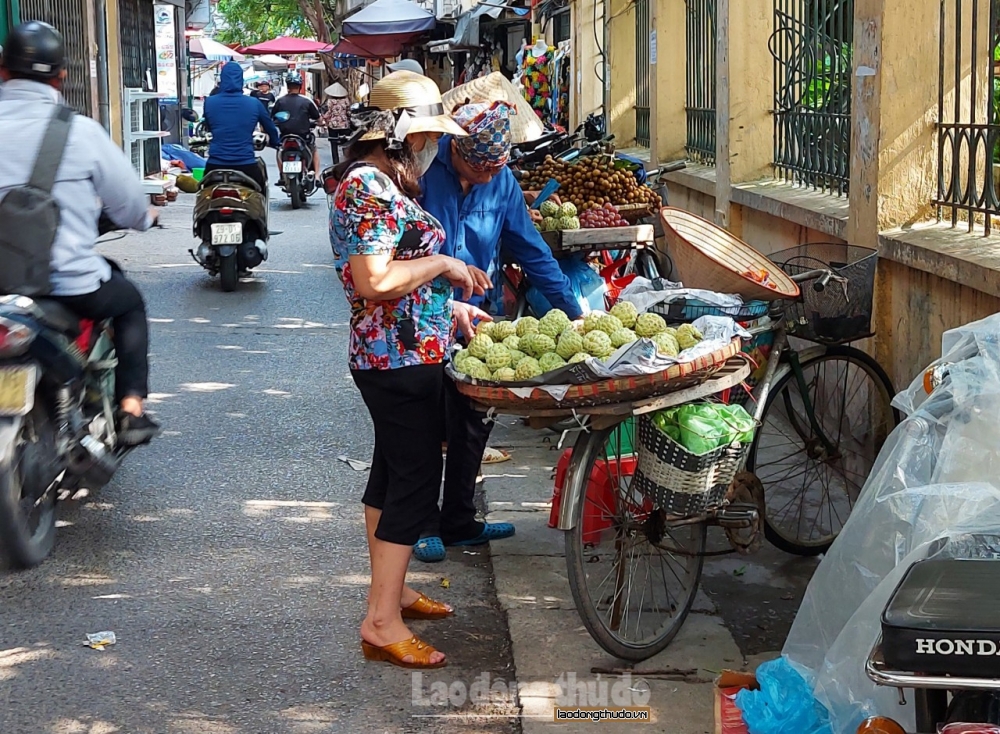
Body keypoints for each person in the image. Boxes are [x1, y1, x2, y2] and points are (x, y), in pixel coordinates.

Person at [328, 70, 475, 669]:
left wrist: (448, 303)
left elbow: (395, 275)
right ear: (399, 134)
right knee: (415, 484)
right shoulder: (367, 187)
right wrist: (442, 263)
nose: (431, 147)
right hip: (397, 361)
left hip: (406, 350)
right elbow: (375, 280)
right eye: (426, 136)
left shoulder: (376, 183)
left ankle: (392, 592)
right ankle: (381, 621)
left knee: (391, 478)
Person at [414, 100, 584, 563]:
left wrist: (574, 312)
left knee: (474, 420)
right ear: (456, 151)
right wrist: (442, 298)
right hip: (422, 315)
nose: (487, 177)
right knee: (426, 422)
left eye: (495, 169)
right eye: (479, 168)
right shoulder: (423, 171)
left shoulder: (501, 182)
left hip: (479, 317)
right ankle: (423, 523)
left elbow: (531, 250)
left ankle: (460, 521)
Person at [0, 21, 160, 445]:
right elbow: (128, 205)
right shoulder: (80, 131)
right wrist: (145, 219)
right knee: (128, 304)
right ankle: (130, 410)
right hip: (68, 283)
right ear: (61, 76)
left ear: (2, 70)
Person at [202, 61, 279, 192]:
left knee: (204, 194)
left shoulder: (209, 102)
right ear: (241, 79)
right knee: (260, 191)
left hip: (215, 164)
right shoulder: (254, 103)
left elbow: (209, 126)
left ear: (222, 78)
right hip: (246, 164)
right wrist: (275, 142)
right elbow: (270, 127)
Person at [271, 74, 321, 179]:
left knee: (279, 150)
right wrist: (321, 123)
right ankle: (317, 175)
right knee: (314, 149)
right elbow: (318, 119)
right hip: (303, 136)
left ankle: (281, 175)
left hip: (285, 136)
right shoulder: (307, 101)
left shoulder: (280, 101)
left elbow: (272, 117)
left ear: (287, 86)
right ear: (300, 86)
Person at [318, 82, 351, 163]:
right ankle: (346, 160)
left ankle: (335, 162)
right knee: (346, 144)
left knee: (333, 144)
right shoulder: (346, 100)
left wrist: (323, 118)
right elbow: (349, 112)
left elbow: (328, 113)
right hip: (344, 125)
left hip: (333, 125)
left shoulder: (330, 101)